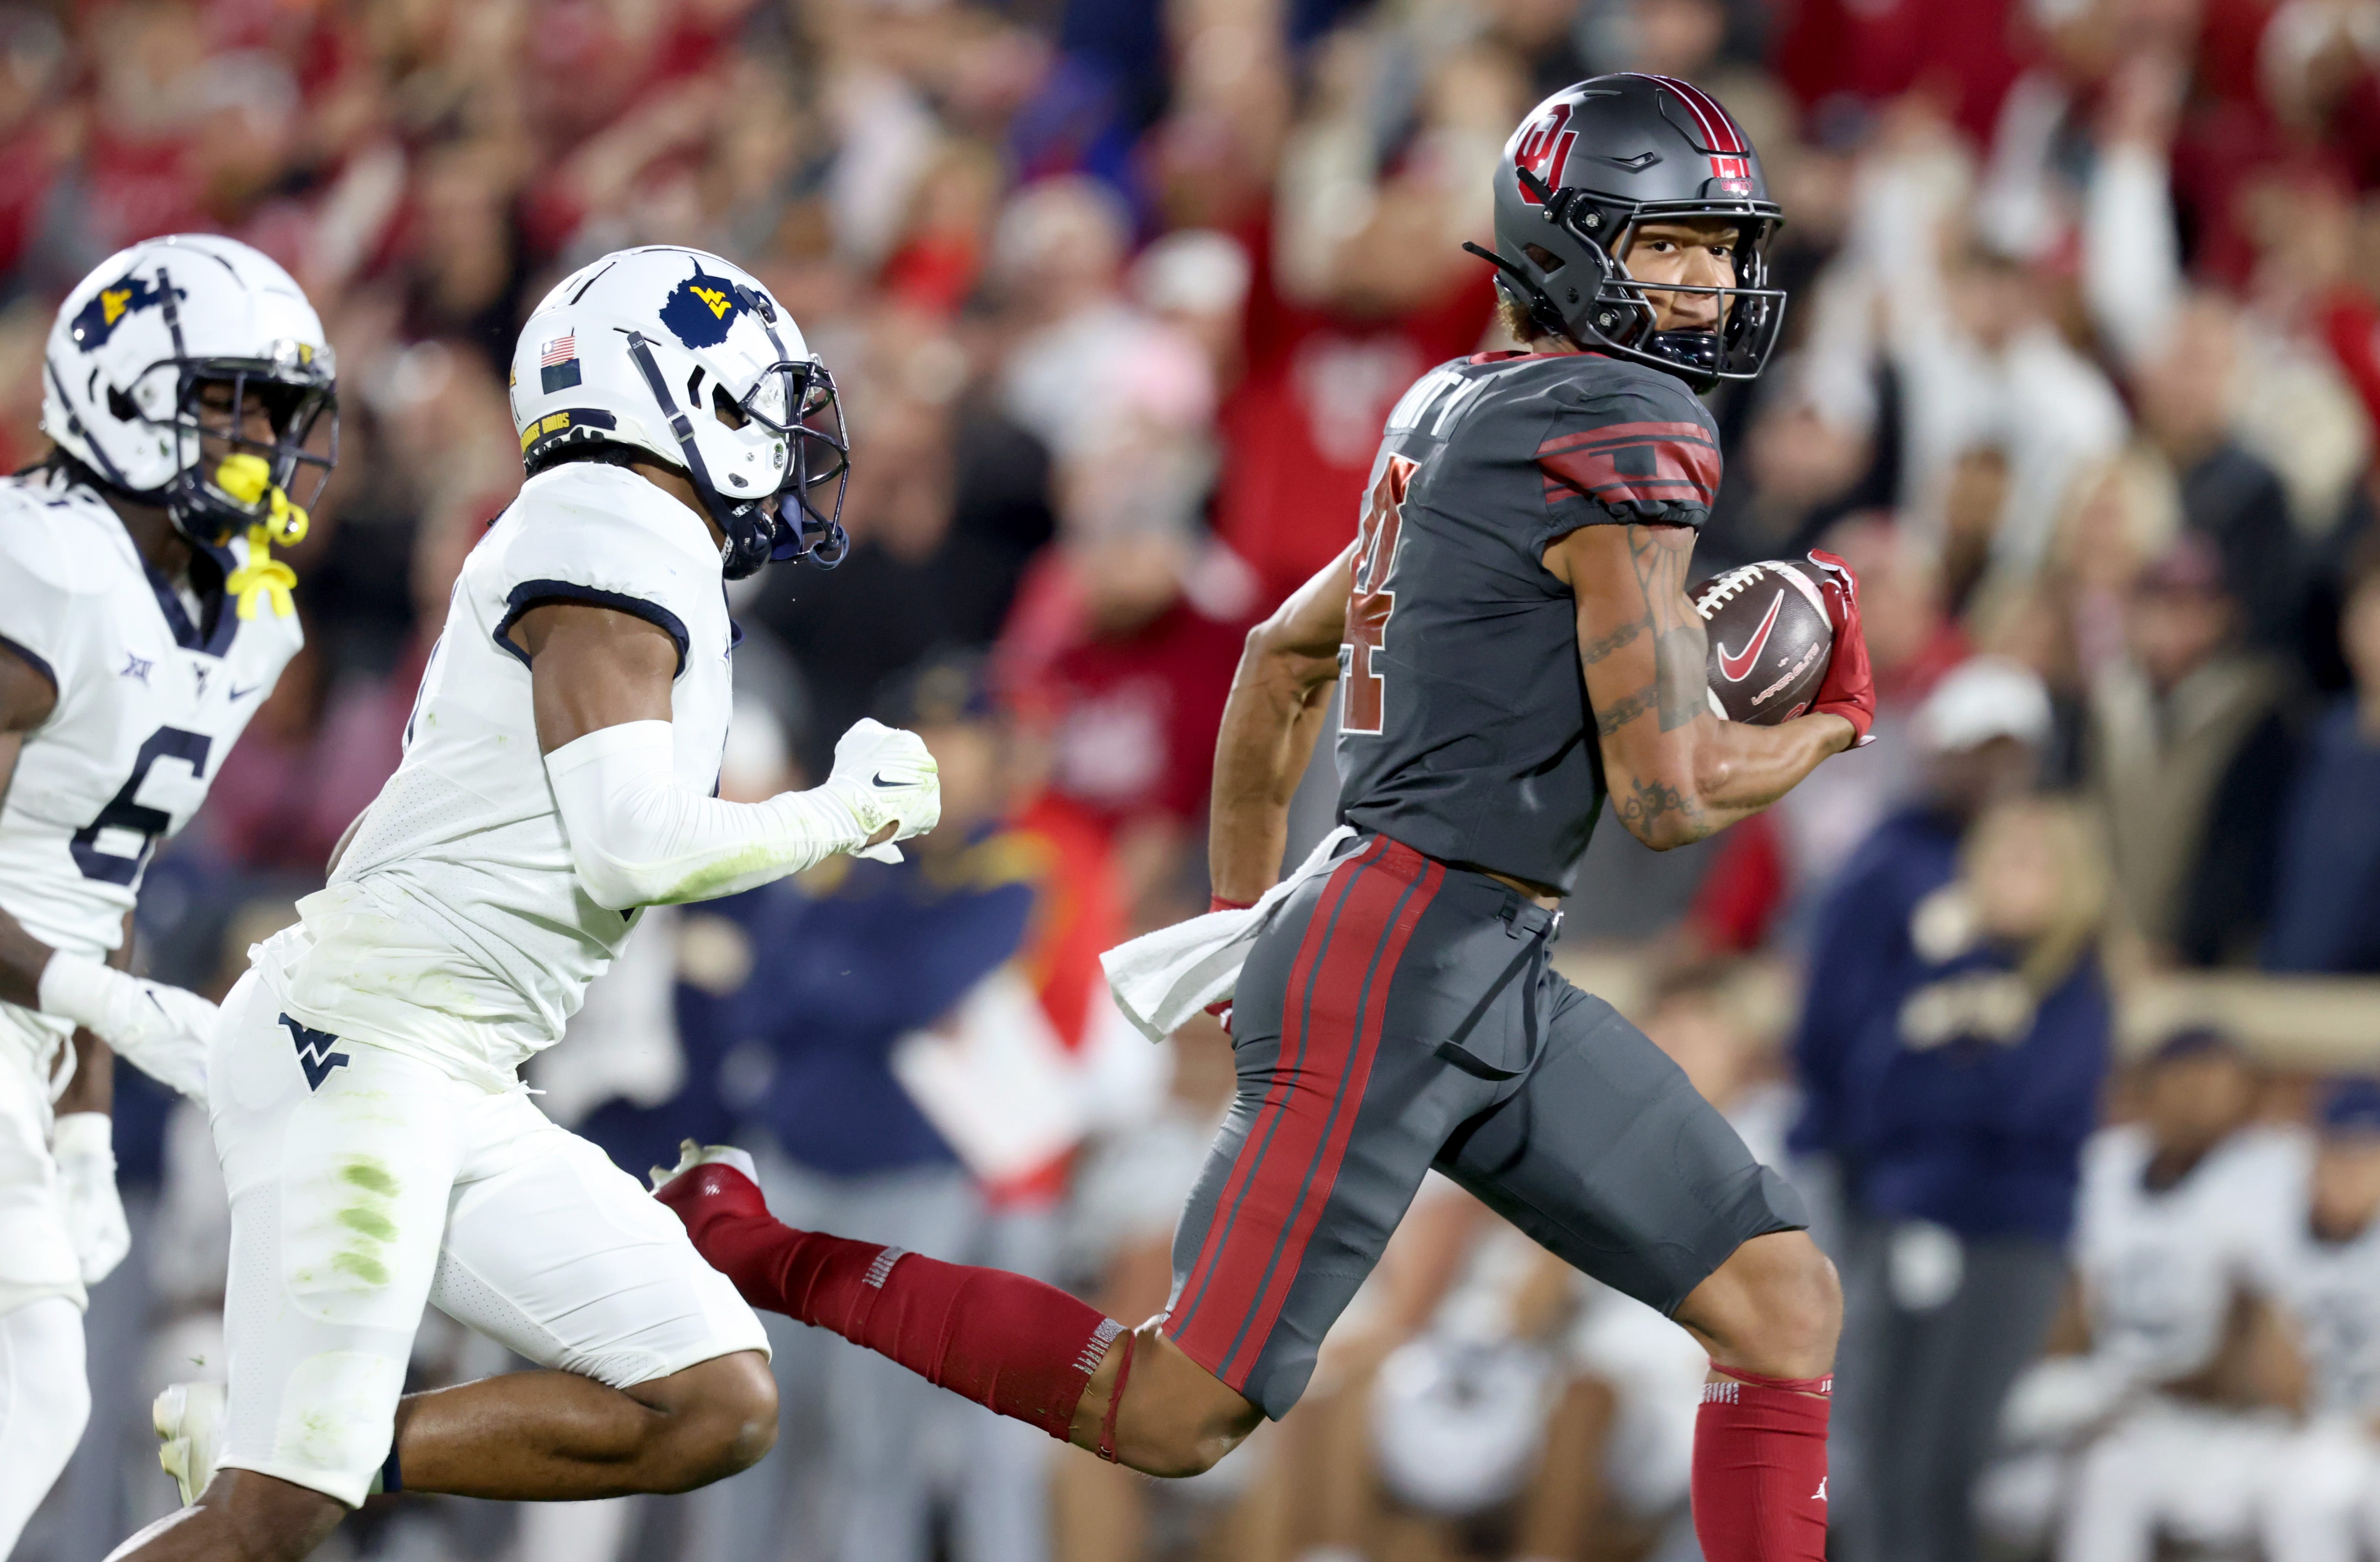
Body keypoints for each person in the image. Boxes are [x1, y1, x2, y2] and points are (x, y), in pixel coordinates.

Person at [657, 75, 1875, 1562]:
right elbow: (1667, 792)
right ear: (1562, 241)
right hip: (1410, 954)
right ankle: (760, 1248)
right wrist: (1827, 723)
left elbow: (1276, 660)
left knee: (1776, 1300)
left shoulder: (1455, 409)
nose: (1701, 283)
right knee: (1173, 1408)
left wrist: (1245, 920)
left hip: (1455, 949)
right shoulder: (1621, 420)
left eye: (1716, 249)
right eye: (1664, 243)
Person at [114, 245, 945, 1562]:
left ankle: (314, 1440)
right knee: (270, 1516)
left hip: (447, 1063)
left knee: (711, 1399)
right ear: (680, 394)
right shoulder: (611, 530)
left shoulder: (615, 534)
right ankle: (293, 1451)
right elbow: (631, 851)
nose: (791, 446)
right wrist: (841, 811)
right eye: (764, 404)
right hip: (364, 1049)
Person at [0, 234, 336, 1559]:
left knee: (37, 1380)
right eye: (225, 403)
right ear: (119, 389)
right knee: (35, 1377)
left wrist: (84, 1116)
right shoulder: (44, 563)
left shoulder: (226, 613)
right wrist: (83, 1000)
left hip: (25, 1021)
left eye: (275, 412)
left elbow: (102, 863)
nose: (258, 441)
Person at [2254, 1078, 2380, 1562]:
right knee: (2302, 1481)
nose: (2351, 1169)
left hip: (2362, 1435)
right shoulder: (2271, 1233)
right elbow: (2268, 1376)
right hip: (2308, 1432)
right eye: (2339, 1152)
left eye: (2367, 1155)